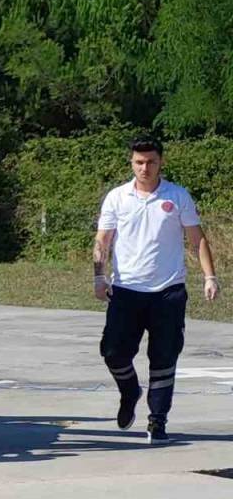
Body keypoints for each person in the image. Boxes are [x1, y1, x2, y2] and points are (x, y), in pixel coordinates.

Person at [93, 138, 219, 444]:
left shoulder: (177, 196)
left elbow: (197, 239)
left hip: (168, 291)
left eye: (150, 162)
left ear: (160, 162)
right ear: (131, 163)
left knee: (164, 356)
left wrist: (209, 276)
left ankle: (157, 419)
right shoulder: (117, 197)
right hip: (126, 290)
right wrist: (99, 275)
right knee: (112, 352)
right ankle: (130, 390)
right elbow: (103, 240)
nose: (144, 168)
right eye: (139, 162)